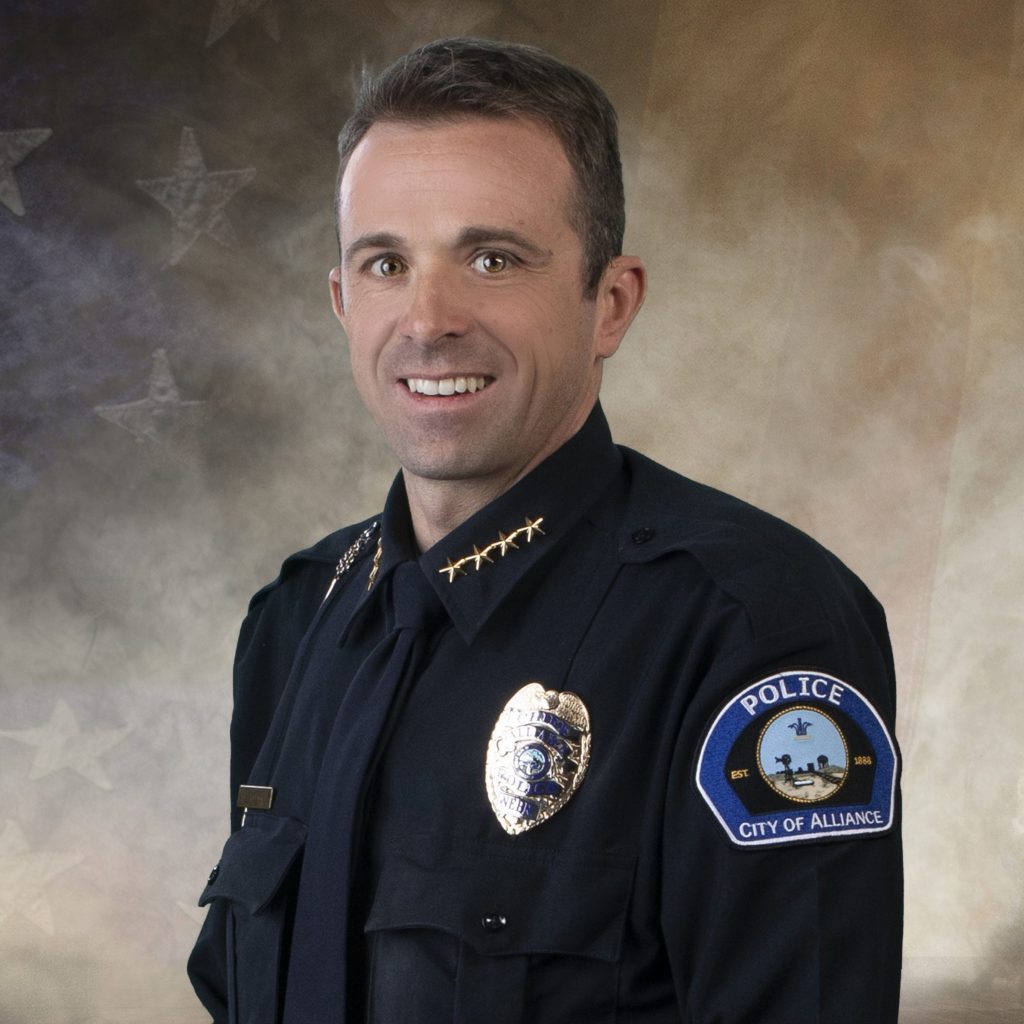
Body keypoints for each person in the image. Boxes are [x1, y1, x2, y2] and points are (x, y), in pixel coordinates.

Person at [188, 37, 902, 1024]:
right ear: (343, 302)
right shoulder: (297, 618)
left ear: (610, 302)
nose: (428, 318)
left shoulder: (750, 629)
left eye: (491, 258)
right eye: (387, 263)